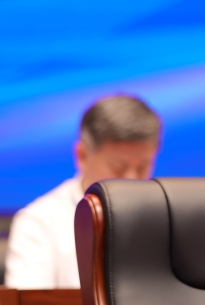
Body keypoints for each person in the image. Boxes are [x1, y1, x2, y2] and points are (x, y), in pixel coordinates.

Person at [5, 95, 161, 289]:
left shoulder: (166, 218)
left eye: (142, 167)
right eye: (118, 167)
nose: (131, 181)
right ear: (82, 156)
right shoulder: (39, 224)